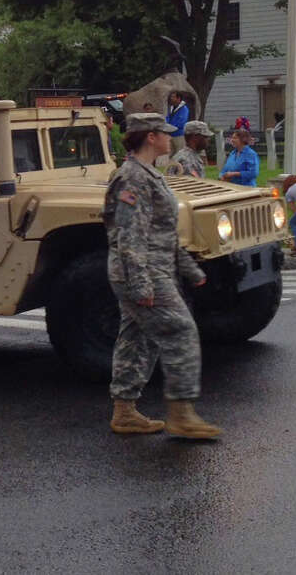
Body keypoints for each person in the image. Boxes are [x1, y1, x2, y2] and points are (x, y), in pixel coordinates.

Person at [104, 113, 220, 439]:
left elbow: (162, 232)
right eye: (165, 133)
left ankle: (124, 412)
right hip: (142, 271)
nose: (171, 137)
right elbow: (129, 235)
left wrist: (188, 268)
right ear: (150, 137)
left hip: (153, 267)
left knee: (136, 337)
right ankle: (182, 415)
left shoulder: (149, 174)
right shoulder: (132, 178)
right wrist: (141, 283)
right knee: (181, 332)